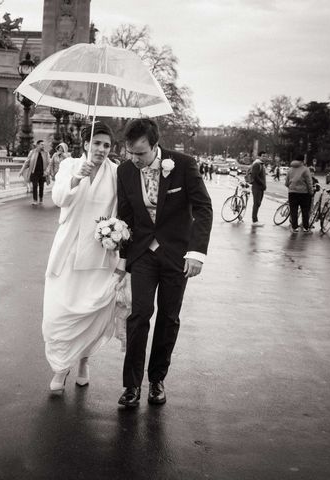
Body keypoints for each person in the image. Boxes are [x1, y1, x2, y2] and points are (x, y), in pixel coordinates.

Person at [116, 118, 213, 407]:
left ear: (156, 146)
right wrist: (122, 257)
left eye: (141, 153)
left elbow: (203, 208)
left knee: (168, 318)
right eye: (130, 152)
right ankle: (131, 385)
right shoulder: (124, 171)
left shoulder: (182, 164)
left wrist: (196, 253)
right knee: (138, 315)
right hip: (143, 254)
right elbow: (125, 216)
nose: (134, 159)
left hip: (176, 256)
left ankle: (156, 380)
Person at [42, 122, 122, 393]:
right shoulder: (70, 165)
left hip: (99, 253)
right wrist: (77, 178)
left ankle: (84, 362)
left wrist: (117, 233)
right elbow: (58, 198)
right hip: (68, 250)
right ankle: (60, 368)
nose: (101, 149)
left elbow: (121, 209)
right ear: (86, 143)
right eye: (96, 143)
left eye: (106, 145)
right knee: (61, 311)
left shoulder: (116, 172)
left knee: (93, 311)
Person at [285, 155, 314, 233]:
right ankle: (306, 227)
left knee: (293, 210)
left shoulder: (290, 169)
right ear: (302, 161)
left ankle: (294, 227)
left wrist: (291, 187)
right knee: (305, 211)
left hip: (292, 193)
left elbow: (286, 182)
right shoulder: (305, 169)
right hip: (304, 193)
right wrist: (311, 192)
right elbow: (309, 182)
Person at [19, 140, 50, 205]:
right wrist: (21, 170)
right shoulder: (32, 152)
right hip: (34, 172)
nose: (43, 146)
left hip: (42, 173)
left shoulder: (46, 153)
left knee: (41, 187)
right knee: (35, 186)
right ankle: (35, 200)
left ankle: (41, 199)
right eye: (41, 144)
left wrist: (46, 172)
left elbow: (48, 163)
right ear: (37, 145)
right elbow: (27, 162)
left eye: (43, 145)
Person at [250, 151, 267, 225]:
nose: (264, 157)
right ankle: (255, 220)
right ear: (259, 156)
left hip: (260, 187)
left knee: (258, 203)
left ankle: (255, 219)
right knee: (256, 203)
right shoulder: (257, 164)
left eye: (265, 156)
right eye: (263, 156)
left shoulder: (261, 164)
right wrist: (262, 184)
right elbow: (255, 176)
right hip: (257, 187)